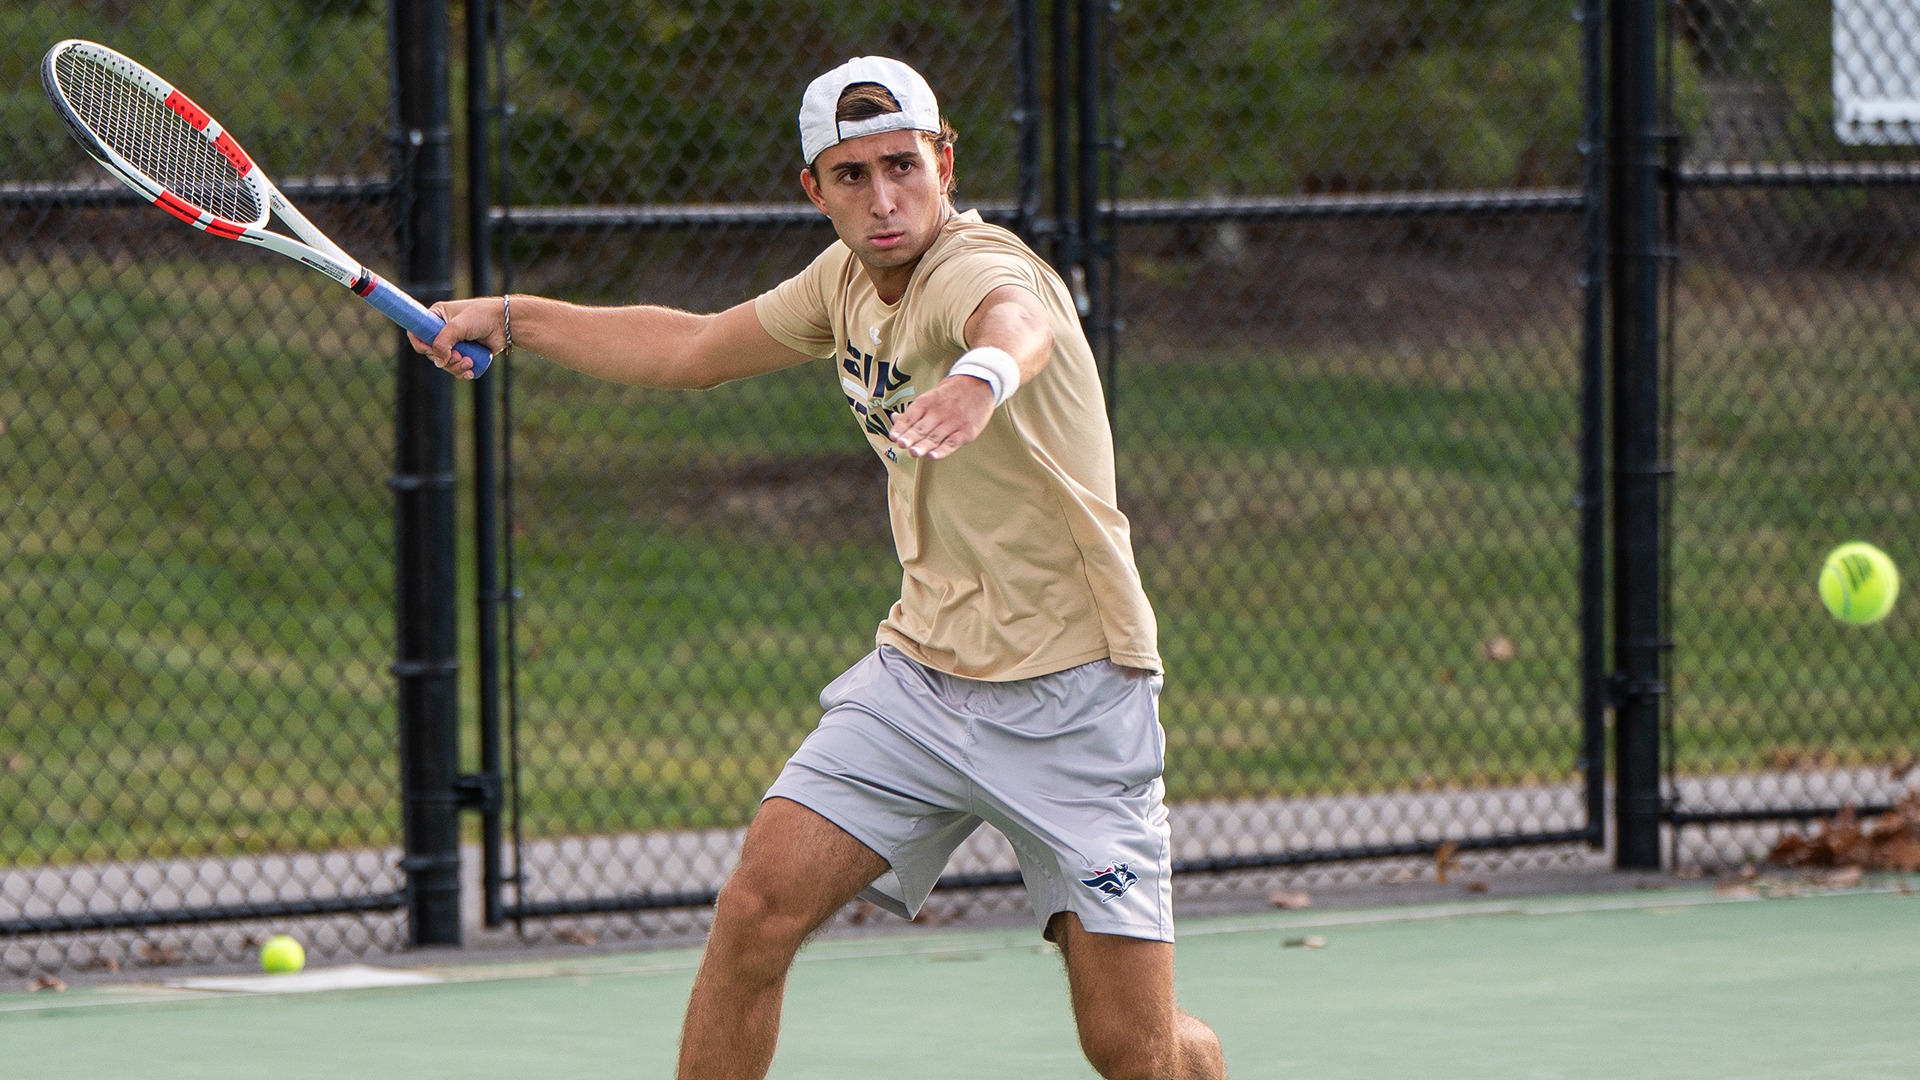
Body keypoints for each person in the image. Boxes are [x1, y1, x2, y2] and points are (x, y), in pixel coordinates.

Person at [412, 55, 1228, 1080]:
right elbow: (691, 349)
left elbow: (1013, 324)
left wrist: (978, 380)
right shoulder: (841, 284)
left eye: (903, 166)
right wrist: (515, 317)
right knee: (757, 909)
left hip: (1075, 699)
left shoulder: (976, 268)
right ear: (815, 189)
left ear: (944, 164)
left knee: (1134, 1053)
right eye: (853, 175)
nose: (883, 199)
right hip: (923, 680)